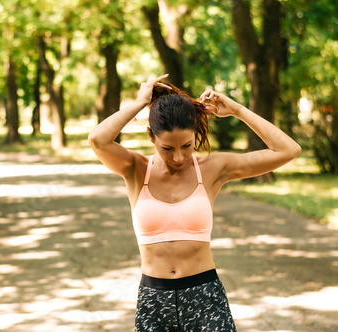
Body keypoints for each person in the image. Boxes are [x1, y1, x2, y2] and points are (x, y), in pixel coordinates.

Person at [88, 74, 301, 331]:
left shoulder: (212, 168)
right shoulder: (135, 168)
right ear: (151, 137)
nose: (179, 157)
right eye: (167, 148)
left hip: (205, 297)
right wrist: (139, 102)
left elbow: (288, 150)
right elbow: (98, 139)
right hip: (154, 301)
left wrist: (237, 110)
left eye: (187, 145)